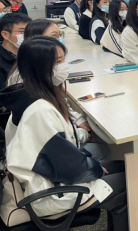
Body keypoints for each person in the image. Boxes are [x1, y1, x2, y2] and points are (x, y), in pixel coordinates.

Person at [0, 37, 128, 231]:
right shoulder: (39, 110)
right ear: (40, 67)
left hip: (50, 177)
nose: (63, 66)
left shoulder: (30, 96)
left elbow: (62, 154)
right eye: (58, 62)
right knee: (131, 182)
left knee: (123, 166)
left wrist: (92, 166)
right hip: (50, 192)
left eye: (63, 59)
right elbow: (69, 166)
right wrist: (95, 168)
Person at [8, 19, 110, 160]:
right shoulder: (33, 96)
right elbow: (61, 140)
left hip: (48, 148)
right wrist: (83, 134)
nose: (59, 39)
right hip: (45, 159)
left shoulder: (37, 75)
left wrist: (78, 119)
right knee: (103, 149)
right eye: (54, 36)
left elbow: (61, 103)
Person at [0, 13, 31, 115]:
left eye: (29, 31)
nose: (28, 35)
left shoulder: (27, 54)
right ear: (5, 34)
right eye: (22, 32)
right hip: (13, 116)